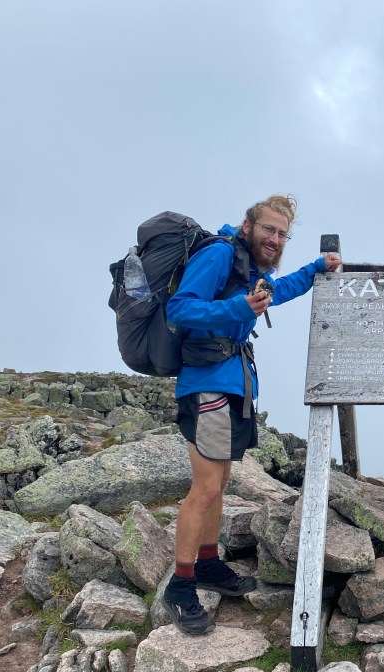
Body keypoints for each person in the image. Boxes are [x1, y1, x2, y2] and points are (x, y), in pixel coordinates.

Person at [160, 194, 341, 635]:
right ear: (248, 226)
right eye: (268, 229)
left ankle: (207, 564)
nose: (275, 239)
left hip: (232, 384)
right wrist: (237, 308)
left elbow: (278, 292)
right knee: (205, 487)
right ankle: (180, 587)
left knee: (219, 482)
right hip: (206, 385)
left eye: (282, 234)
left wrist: (316, 269)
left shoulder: (252, 270)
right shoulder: (221, 255)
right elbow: (179, 308)